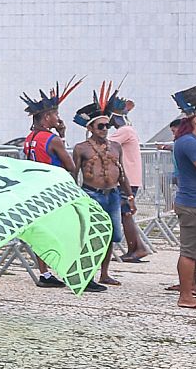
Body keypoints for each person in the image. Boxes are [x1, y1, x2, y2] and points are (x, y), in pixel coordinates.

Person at [18, 80, 82, 288]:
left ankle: (44, 273)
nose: (58, 118)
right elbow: (71, 165)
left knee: (42, 231)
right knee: (63, 230)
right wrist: (62, 136)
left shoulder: (30, 137)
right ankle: (66, 267)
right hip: (53, 190)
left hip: (36, 188)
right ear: (47, 117)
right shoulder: (51, 139)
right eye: (55, 114)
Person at [70, 87, 125, 288]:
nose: (104, 129)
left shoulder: (116, 147)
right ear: (91, 128)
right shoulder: (81, 148)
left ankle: (104, 273)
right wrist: (73, 197)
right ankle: (87, 275)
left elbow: (122, 171)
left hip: (113, 194)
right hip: (91, 194)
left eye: (107, 126)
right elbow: (74, 173)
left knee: (111, 235)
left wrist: (129, 195)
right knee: (92, 235)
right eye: (100, 126)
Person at [107, 93, 151, 263]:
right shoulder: (127, 130)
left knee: (126, 214)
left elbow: (103, 143)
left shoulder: (123, 131)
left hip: (128, 179)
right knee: (126, 214)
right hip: (130, 179)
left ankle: (136, 248)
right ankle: (137, 248)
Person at [174, 84, 196, 311]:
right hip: (193, 204)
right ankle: (185, 296)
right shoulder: (190, 143)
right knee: (190, 252)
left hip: (194, 202)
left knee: (194, 250)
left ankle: (193, 287)